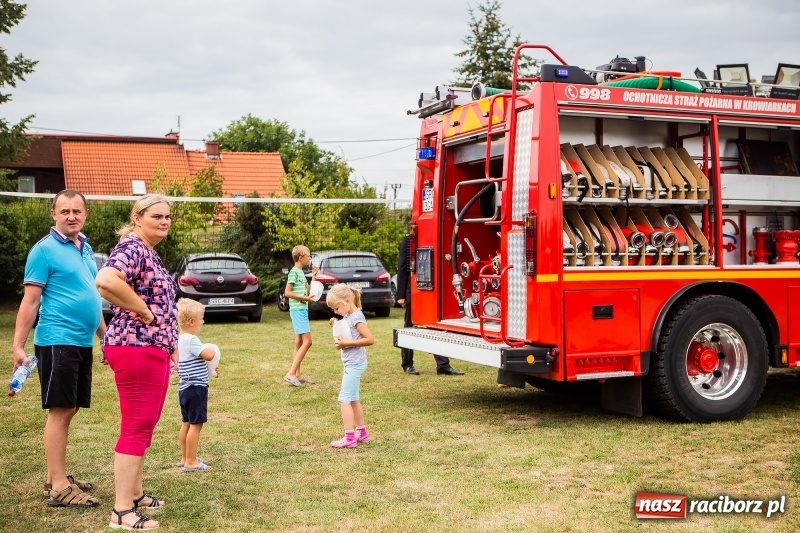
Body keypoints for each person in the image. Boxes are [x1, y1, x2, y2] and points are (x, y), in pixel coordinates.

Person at [12, 189, 105, 508]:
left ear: (85, 214)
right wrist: (17, 346)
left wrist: (104, 336)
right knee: (61, 409)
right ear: (54, 214)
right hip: (57, 340)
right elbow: (31, 300)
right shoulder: (44, 250)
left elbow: (90, 297)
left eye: (76, 211)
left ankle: (57, 476)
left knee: (70, 407)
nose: (71, 216)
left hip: (81, 341)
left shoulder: (86, 249)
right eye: (64, 211)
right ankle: (58, 487)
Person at [96, 194, 178, 531]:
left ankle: (135, 494)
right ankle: (121, 512)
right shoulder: (132, 246)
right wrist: (142, 311)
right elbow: (105, 280)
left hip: (150, 347)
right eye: (157, 216)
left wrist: (169, 340)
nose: (164, 221)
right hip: (136, 347)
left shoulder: (148, 251)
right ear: (138, 217)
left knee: (145, 423)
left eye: (168, 217)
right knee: (136, 425)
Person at [396, 234, 463, 375]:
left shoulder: (436, 237)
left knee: (435, 328)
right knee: (409, 327)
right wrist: (401, 295)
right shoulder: (409, 240)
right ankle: (407, 364)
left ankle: (443, 365)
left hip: (432, 293)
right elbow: (402, 267)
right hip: (414, 292)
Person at [326, 284, 374, 448]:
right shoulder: (348, 316)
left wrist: (347, 343)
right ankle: (363, 433)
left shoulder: (357, 317)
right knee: (353, 399)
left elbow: (369, 339)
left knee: (344, 399)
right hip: (353, 363)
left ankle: (350, 438)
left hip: (355, 364)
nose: (336, 311)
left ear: (347, 301)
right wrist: (336, 323)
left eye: (336, 307)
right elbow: (347, 329)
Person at [175, 298, 218, 473]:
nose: (203, 321)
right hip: (196, 388)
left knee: (186, 423)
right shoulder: (192, 340)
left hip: (185, 388)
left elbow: (197, 361)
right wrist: (214, 350)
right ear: (192, 322)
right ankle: (191, 462)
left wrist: (212, 370)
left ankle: (185, 457)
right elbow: (207, 355)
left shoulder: (179, 339)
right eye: (201, 318)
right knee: (196, 424)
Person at [283, 244, 319, 386]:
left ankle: (297, 375)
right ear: (301, 257)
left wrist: (314, 277)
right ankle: (291, 373)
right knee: (308, 342)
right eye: (308, 255)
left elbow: (309, 290)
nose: (310, 258)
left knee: (299, 341)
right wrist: (306, 299)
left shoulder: (300, 272)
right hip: (297, 309)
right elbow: (288, 293)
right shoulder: (294, 272)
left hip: (301, 309)